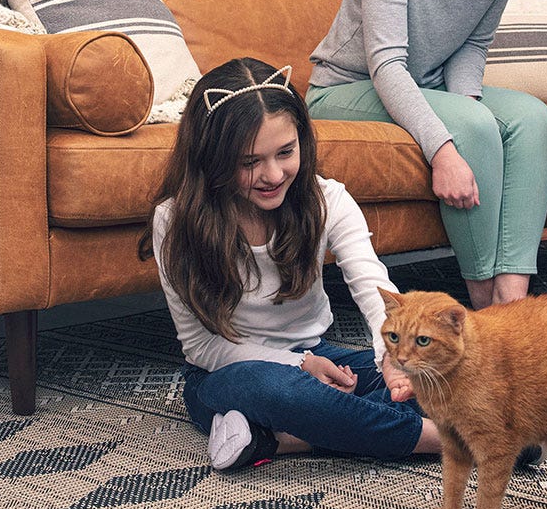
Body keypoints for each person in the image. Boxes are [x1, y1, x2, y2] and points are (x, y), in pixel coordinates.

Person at [141, 57, 439, 471]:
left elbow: (374, 288)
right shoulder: (174, 221)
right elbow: (201, 347)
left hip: (320, 355)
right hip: (227, 375)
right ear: (212, 158)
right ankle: (446, 439)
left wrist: (391, 355)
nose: (273, 174)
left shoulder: (328, 199)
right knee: (277, 390)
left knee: (438, 373)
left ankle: (277, 440)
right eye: (249, 162)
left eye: (286, 152)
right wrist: (299, 365)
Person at [306, 0, 547, 309]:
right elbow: (385, 62)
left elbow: (473, 43)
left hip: (427, 85)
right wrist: (446, 149)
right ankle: (484, 309)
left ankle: (513, 306)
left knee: (533, 117)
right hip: (346, 87)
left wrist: (465, 104)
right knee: (473, 125)